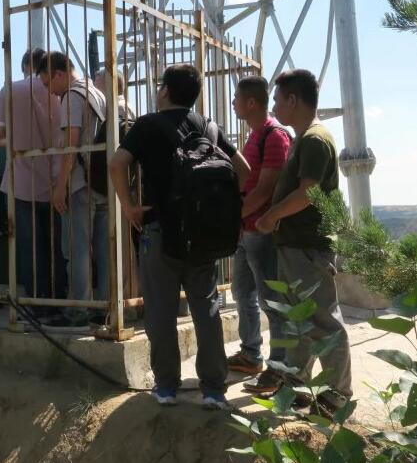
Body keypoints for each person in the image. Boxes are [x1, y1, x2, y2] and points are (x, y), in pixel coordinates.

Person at [109, 63, 250, 410]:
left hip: (161, 230)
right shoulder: (210, 127)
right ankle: (214, 389)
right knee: (207, 308)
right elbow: (244, 172)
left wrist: (128, 207)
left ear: (165, 91)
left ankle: (167, 386)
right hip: (204, 236)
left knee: (161, 311)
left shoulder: (147, 125)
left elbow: (116, 163)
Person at [254, 68, 352, 414]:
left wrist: (271, 216)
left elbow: (308, 192)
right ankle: (298, 386)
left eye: (278, 100)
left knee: (323, 322)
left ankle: (337, 395)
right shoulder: (304, 138)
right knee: (299, 321)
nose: (274, 108)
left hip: (308, 247)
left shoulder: (314, 139)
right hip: (296, 246)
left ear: (293, 100)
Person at [0, 49, 67, 312]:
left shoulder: (11, 90)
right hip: (59, 179)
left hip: (22, 181)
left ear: (25, 66)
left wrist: (19, 141)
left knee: (29, 248)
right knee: (58, 247)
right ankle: (61, 300)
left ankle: (37, 304)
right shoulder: (62, 90)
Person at [227, 76, 292, 383]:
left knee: (271, 301)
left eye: (236, 98)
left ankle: (279, 367)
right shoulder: (256, 135)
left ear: (251, 103)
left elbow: (265, 189)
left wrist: (234, 216)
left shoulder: (274, 136)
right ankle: (251, 353)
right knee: (243, 293)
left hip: (262, 231)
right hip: (247, 230)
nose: (233, 103)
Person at [45, 51, 107, 327]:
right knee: (104, 250)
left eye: (48, 83)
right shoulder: (97, 92)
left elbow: (72, 143)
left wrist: (61, 186)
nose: (49, 90)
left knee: (77, 249)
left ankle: (78, 310)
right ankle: (104, 306)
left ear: (59, 74)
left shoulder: (72, 96)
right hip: (102, 181)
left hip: (81, 182)